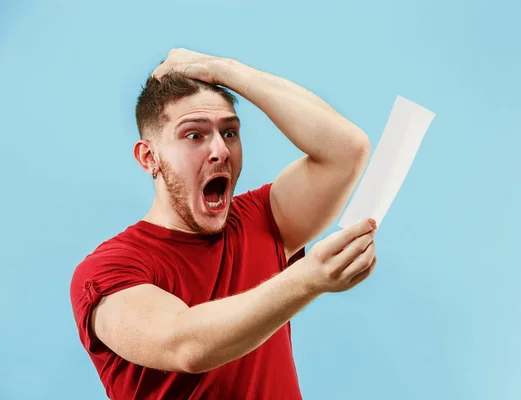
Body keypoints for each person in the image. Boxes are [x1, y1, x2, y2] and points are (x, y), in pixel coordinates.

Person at [70, 48, 378, 400]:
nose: (221, 150)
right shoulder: (108, 270)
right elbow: (185, 345)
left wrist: (222, 69)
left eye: (229, 133)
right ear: (149, 157)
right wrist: (306, 279)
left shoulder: (261, 220)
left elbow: (347, 150)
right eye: (194, 135)